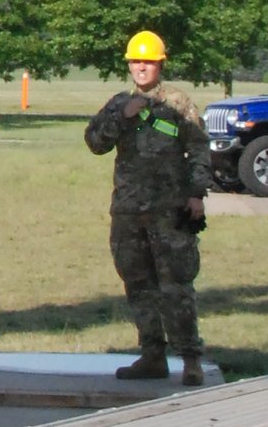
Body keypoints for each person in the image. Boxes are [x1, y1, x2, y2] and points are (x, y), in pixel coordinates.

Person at [83, 29, 212, 386]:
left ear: (160, 64)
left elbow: (200, 147)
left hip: (168, 210)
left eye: (148, 61)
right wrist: (121, 116)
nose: (141, 67)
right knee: (138, 284)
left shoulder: (177, 103)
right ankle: (152, 355)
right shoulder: (118, 103)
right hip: (128, 211)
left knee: (176, 286)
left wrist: (197, 193)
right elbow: (95, 142)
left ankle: (190, 359)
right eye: (136, 61)